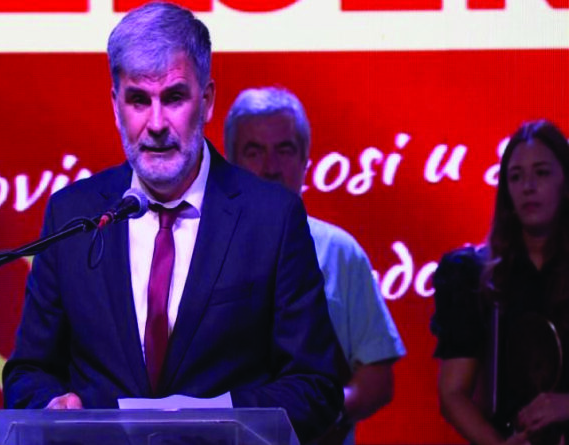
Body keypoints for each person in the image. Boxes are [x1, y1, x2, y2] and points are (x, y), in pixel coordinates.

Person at [2, 2, 343, 441]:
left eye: (174, 98)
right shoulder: (72, 214)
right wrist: (48, 405)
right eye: (138, 100)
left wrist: (218, 420)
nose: (157, 124)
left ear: (207, 101)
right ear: (115, 104)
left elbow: (316, 386)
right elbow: (28, 373)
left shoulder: (272, 219)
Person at [224, 86, 406, 444]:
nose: (270, 168)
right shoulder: (198, 248)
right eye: (254, 152)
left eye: (284, 150)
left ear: (306, 159)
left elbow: (377, 377)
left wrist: (323, 413)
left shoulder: (340, 252)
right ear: (230, 162)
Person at [431, 119, 569, 445]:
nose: (528, 186)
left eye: (541, 173)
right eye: (515, 176)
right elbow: (453, 393)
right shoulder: (472, 275)